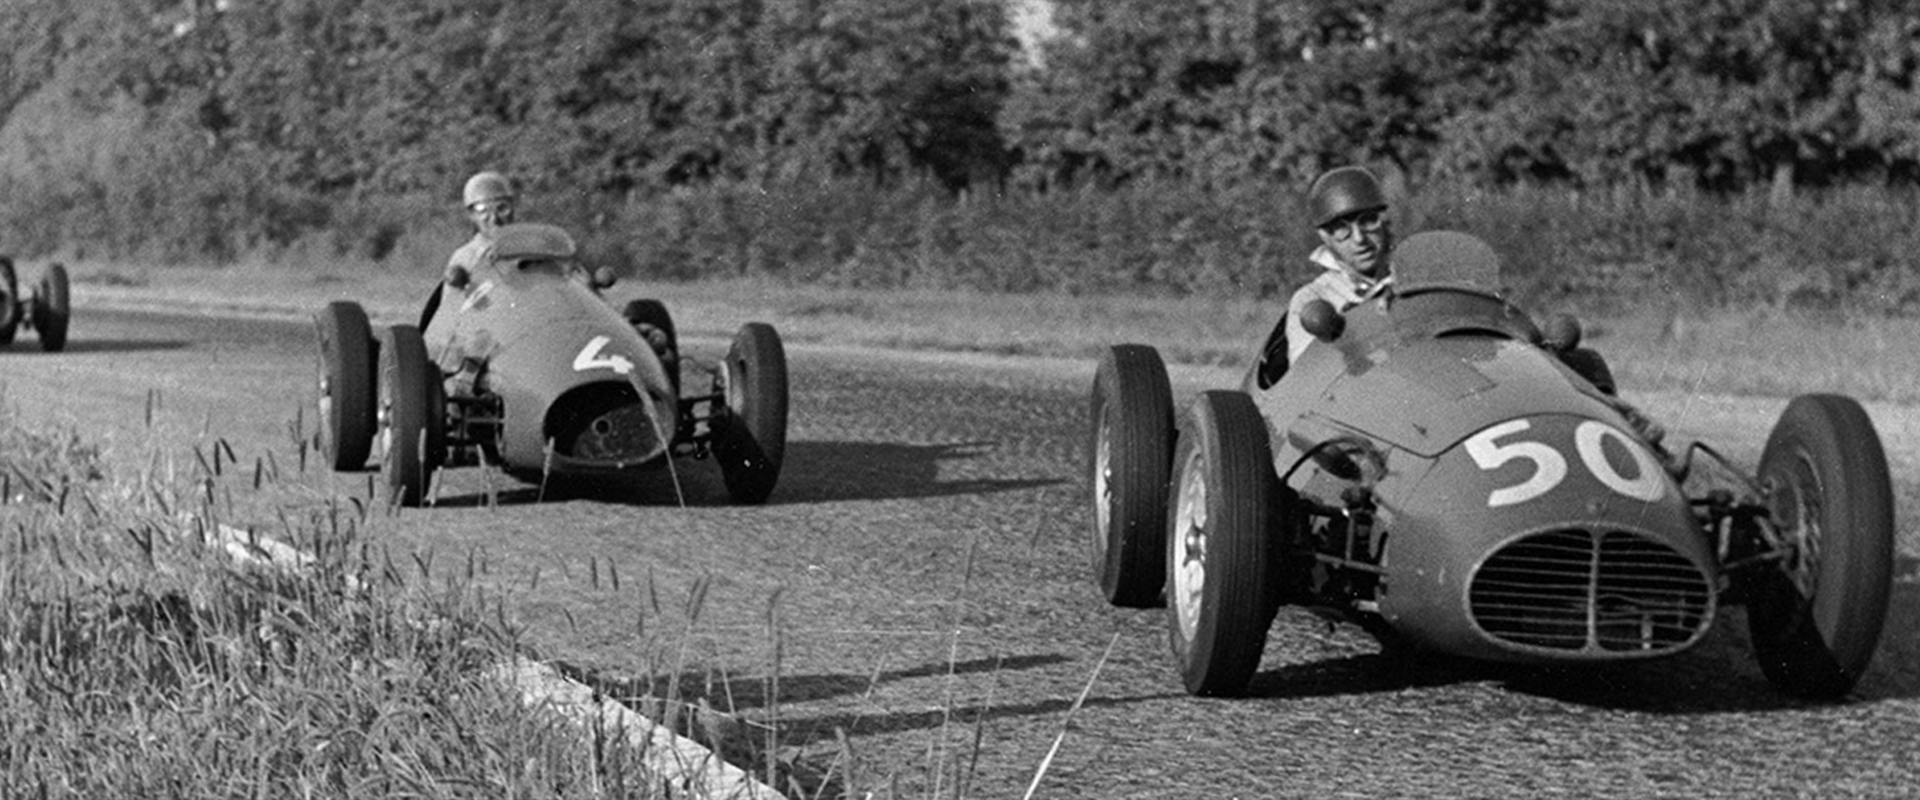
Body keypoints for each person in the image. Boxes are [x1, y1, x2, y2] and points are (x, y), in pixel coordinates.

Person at [1282, 165, 1396, 365]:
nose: (1360, 239)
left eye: (1368, 221)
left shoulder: (1414, 276)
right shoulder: (1312, 299)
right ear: (1325, 237)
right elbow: (1309, 376)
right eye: (1342, 230)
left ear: (1384, 221)